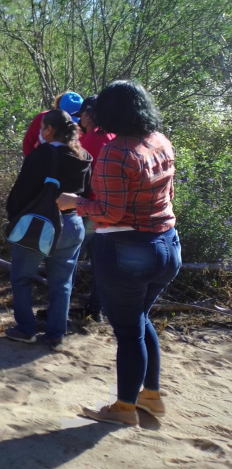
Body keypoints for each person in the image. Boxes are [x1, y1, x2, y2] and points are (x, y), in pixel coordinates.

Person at [58, 81, 180, 427]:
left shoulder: (116, 152)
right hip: (167, 245)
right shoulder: (160, 141)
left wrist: (74, 203)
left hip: (129, 249)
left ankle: (124, 408)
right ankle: (151, 397)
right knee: (139, 319)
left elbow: (110, 213)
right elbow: (167, 194)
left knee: (128, 332)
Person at [5, 110, 92, 352]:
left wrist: (14, 219)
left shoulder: (43, 154)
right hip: (73, 225)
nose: (40, 132)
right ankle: (55, 334)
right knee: (62, 282)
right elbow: (86, 191)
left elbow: (20, 193)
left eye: (42, 127)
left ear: (49, 130)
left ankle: (26, 330)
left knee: (21, 278)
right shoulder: (84, 156)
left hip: (41, 226)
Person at [75, 96, 116, 322]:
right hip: (108, 212)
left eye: (82, 114)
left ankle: (57, 312)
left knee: (68, 259)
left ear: (90, 114)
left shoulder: (90, 140)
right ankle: (95, 309)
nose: (80, 118)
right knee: (100, 263)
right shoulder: (114, 137)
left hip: (87, 208)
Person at [22, 91, 83, 156]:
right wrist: (34, 162)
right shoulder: (42, 118)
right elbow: (27, 144)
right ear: (57, 108)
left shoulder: (81, 126)